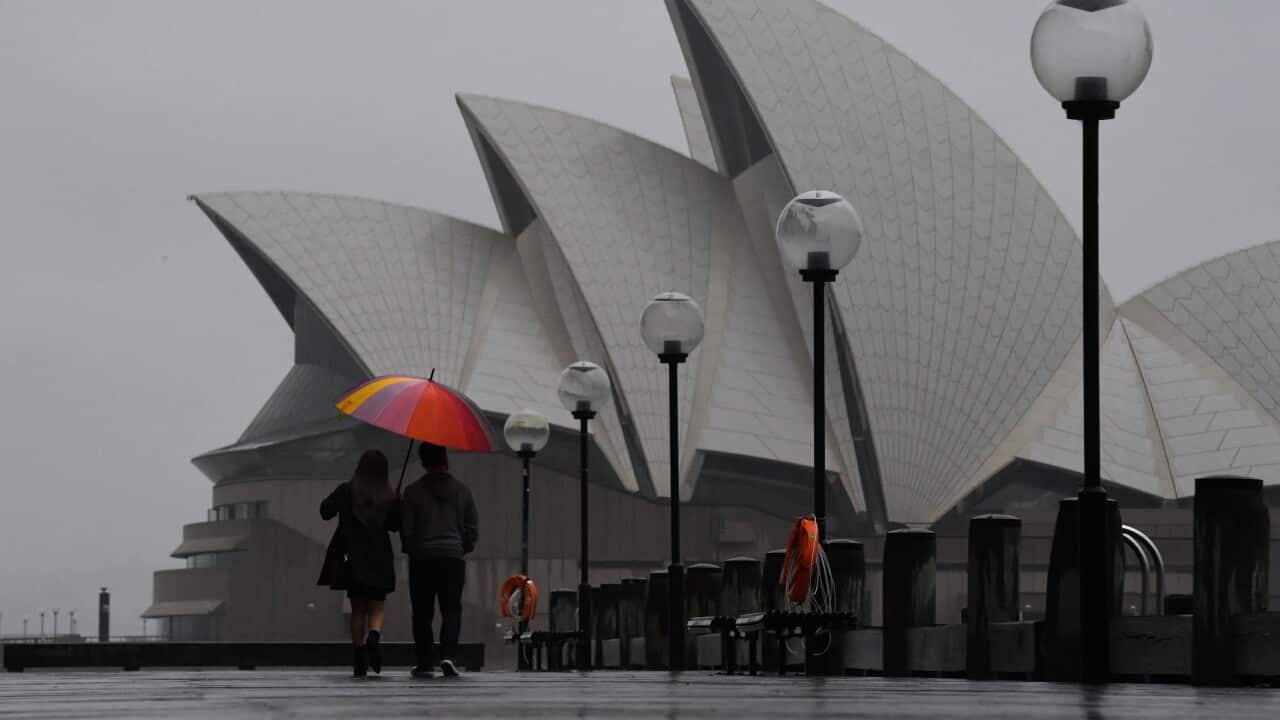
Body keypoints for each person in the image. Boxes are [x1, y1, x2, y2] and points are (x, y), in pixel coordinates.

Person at [318, 449, 400, 678]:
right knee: (377, 606)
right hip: (380, 556)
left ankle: (359, 659)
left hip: (350, 557)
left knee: (357, 609)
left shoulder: (346, 490)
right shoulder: (389, 495)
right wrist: (396, 502)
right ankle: (374, 634)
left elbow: (324, 511)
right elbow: (394, 525)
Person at [401, 442, 478, 678]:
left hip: (422, 558)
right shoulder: (463, 491)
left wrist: (413, 549)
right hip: (452, 559)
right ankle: (448, 655)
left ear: (423, 462)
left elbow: (406, 529)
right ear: (445, 458)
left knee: (422, 612)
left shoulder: (412, 492)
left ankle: (425, 661)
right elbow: (472, 528)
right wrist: (461, 547)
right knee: (451, 608)